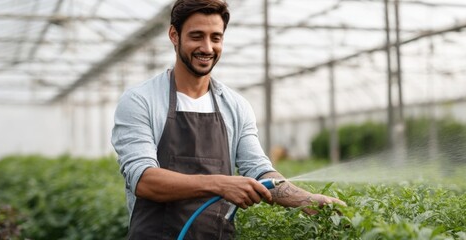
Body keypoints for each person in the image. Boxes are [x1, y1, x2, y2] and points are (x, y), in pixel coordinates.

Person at [111, 0, 345, 239]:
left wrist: (307, 200)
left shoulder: (235, 106)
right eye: (196, 36)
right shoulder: (141, 101)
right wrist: (220, 184)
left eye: (216, 37)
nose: (207, 47)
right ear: (174, 35)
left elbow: (259, 171)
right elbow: (144, 179)